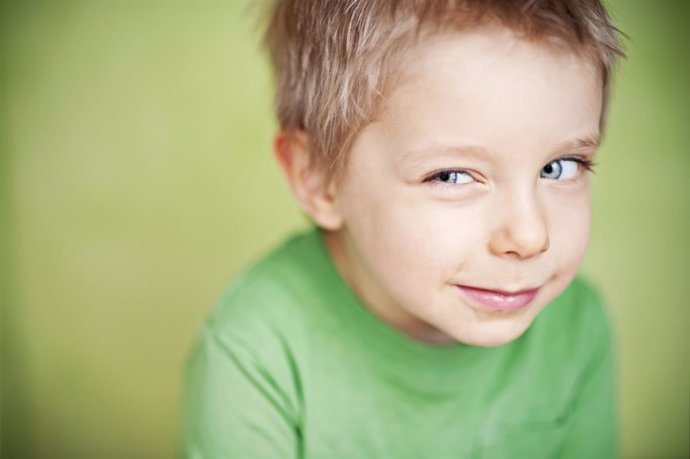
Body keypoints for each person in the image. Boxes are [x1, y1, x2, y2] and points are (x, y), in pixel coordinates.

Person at [182, 1, 625, 457]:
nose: (531, 236)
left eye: (559, 167)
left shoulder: (576, 326)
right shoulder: (258, 349)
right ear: (318, 177)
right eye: (451, 176)